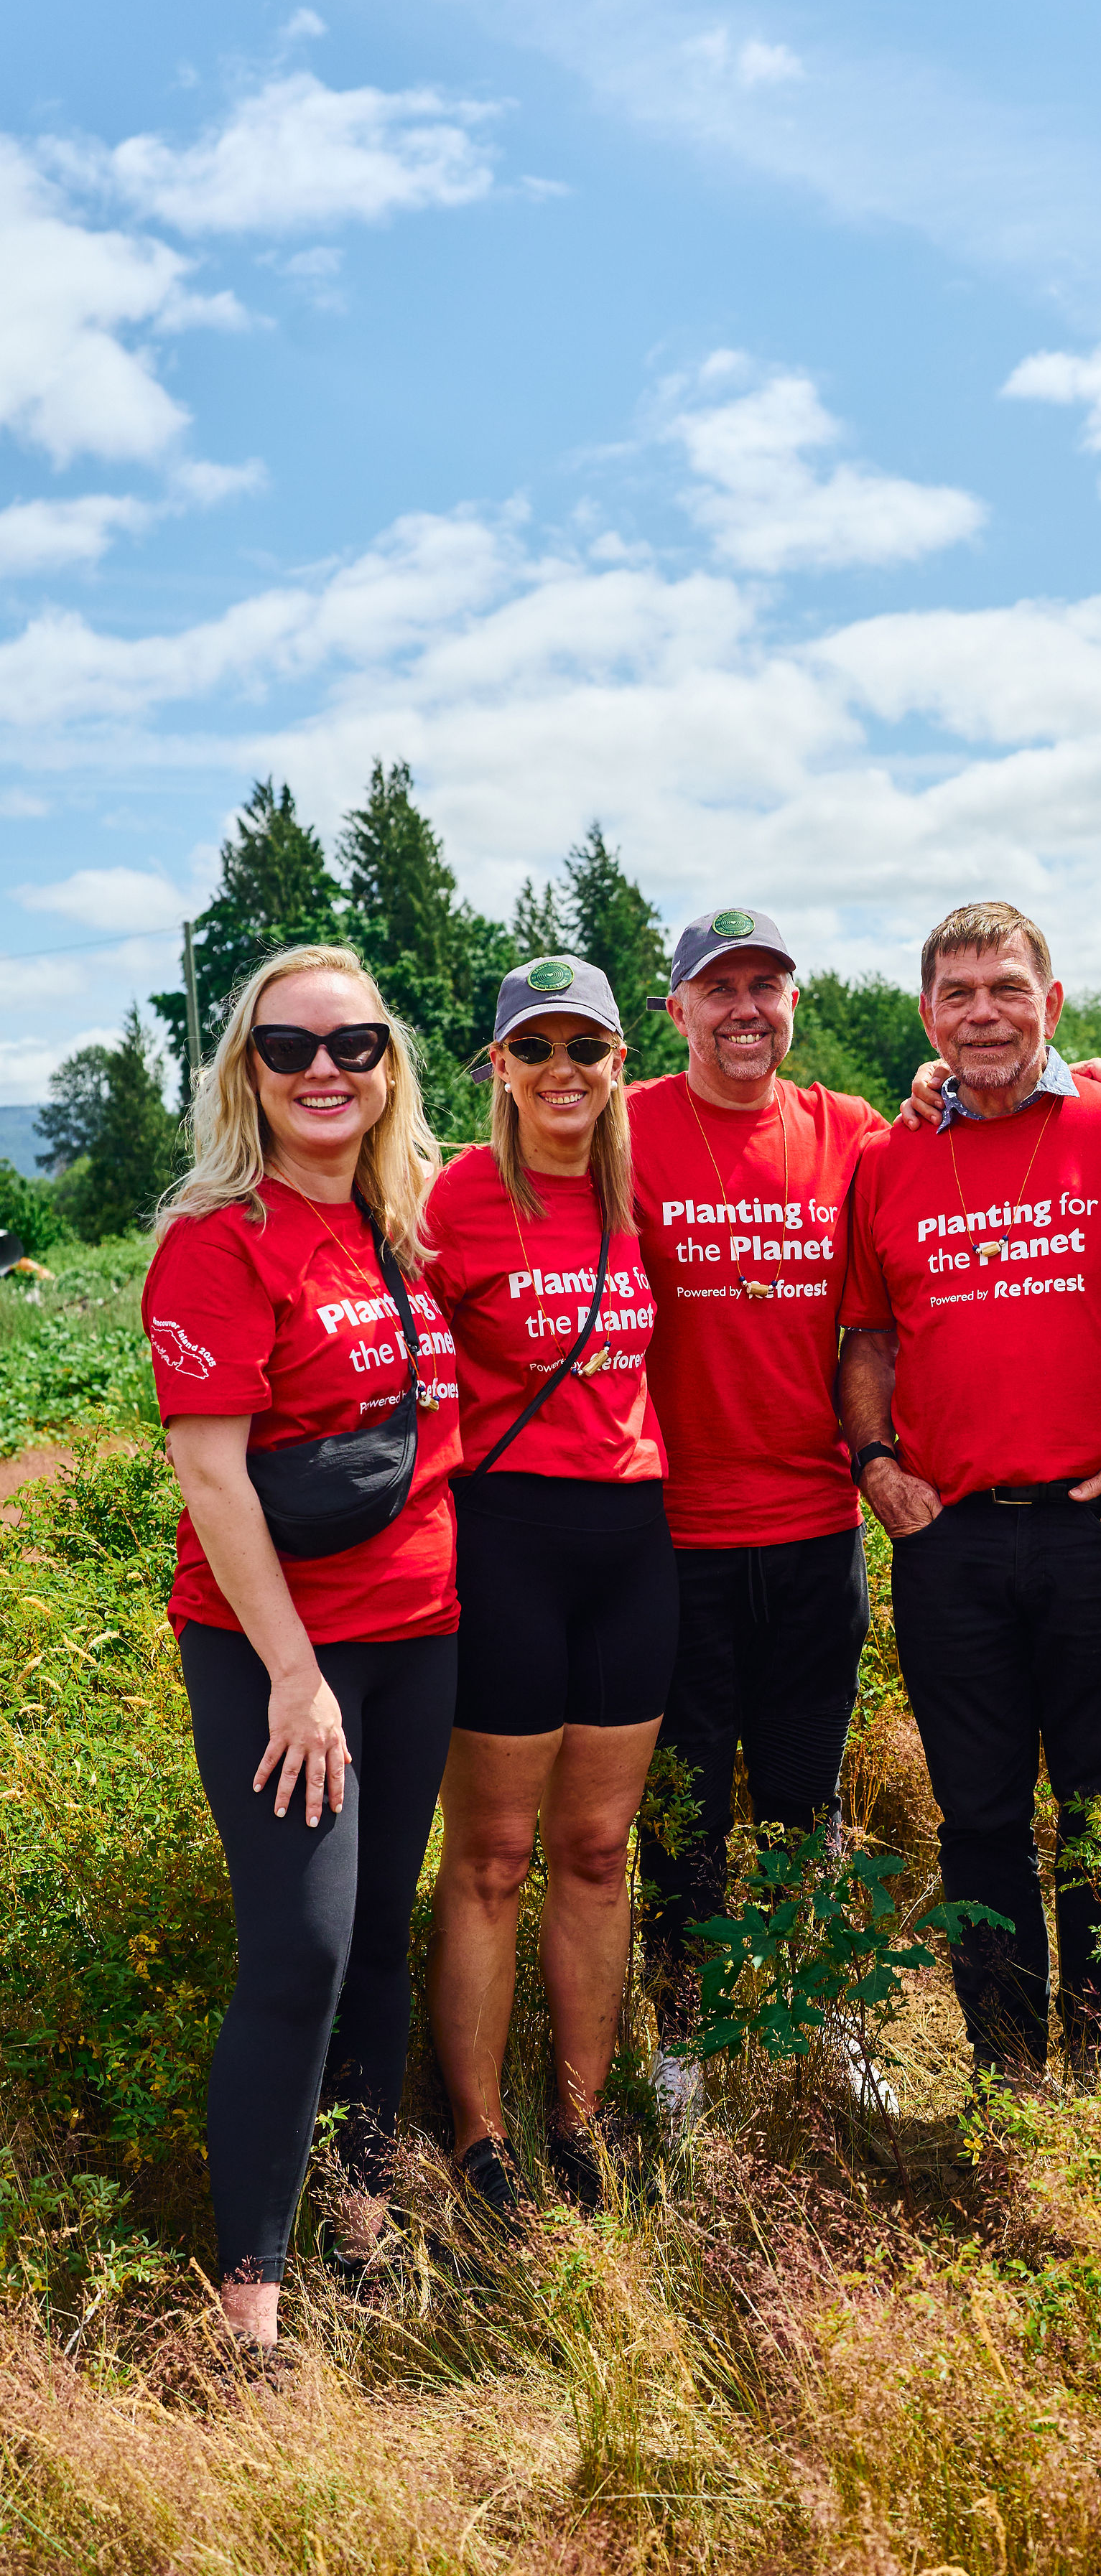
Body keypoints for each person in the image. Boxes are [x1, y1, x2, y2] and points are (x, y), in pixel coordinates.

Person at [839, 900, 1101, 2087]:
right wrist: (875, 1466)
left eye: (1006, 988)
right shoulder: (887, 1158)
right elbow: (865, 1338)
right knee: (979, 1815)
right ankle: (1007, 2064)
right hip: (949, 1540)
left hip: (1099, 1528)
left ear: (1051, 1004)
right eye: (957, 995)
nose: (984, 1013)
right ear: (928, 1018)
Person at [144, 943, 460, 2349]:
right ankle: (252, 2311)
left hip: (420, 1635)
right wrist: (293, 1676)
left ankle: (364, 2223)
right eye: (291, 1048)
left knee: (378, 1942)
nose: (325, 1070)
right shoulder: (221, 1239)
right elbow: (213, 1479)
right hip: (282, 1659)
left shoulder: (407, 1225)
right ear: (247, 1071)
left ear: (391, 1064)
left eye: (355, 1044)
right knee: (299, 1952)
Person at [424, 957, 675, 2213]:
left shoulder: (647, 1190)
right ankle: (478, 2139)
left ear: (621, 1062)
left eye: (588, 1046)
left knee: (594, 1847)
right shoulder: (451, 1200)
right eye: (538, 1049)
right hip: (506, 1538)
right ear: (502, 1071)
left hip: (632, 1543)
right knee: (492, 1858)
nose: (564, 1070)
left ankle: (579, 2119)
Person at [627, 907, 886, 2119]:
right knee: (682, 1814)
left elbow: (963, 1147)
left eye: (765, 986)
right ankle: (682, 2043)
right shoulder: (624, 1135)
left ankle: (833, 2024)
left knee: (807, 1797)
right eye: (717, 988)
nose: (744, 1009)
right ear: (674, 1009)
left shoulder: (847, 1131)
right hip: (668, 1538)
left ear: (794, 1004)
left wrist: (1071, 1074)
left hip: (814, 1525)